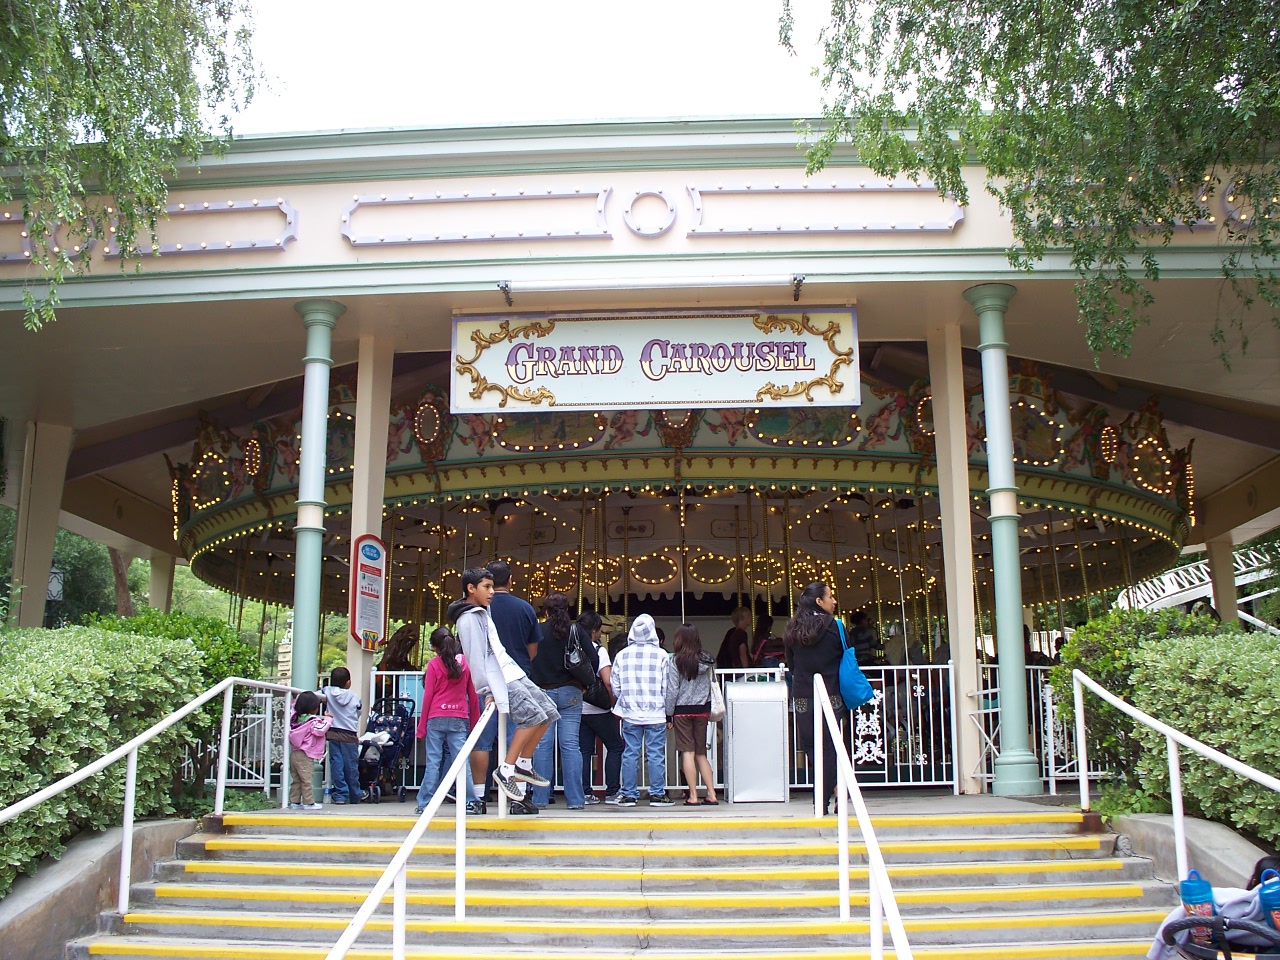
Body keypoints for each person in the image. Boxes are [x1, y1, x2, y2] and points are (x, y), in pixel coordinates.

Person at [449, 566, 559, 814]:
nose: (491, 593)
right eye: (486, 588)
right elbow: (476, 657)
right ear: (471, 588)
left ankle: (523, 762)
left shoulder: (483, 612)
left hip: (511, 670)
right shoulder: (468, 618)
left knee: (549, 711)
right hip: (499, 676)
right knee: (532, 716)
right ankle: (507, 768)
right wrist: (487, 688)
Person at [784, 582, 847, 816]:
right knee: (830, 745)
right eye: (830, 596)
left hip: (803, 694)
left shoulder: (792, 628)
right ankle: (828, 795)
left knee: (811, 746)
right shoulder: (835, 627)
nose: (834, 601)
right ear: (819, 601)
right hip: (831, 692)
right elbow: (847, 655)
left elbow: (791, 664)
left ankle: (823, 795)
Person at [528, 592, 588, 810]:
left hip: (543, 692)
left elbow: (529, 659)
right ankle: (576, 799)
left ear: (546, 610)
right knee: (571, 745)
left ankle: (540, 798)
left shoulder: (538, 630)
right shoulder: (575, 630)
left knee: (543, 746)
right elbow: (593, 656)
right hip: (571, 691)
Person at [609, 613, 674, 807]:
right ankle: (657, 794)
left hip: (630, 712)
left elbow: (615, 685)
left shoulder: (622, 655)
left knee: (630, 753)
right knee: (655, 754)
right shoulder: (661, 654)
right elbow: (667, 686)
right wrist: (667, 710)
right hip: (655, 712)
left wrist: (625, 699)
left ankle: (629, 794)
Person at [414, 627, 481, 815]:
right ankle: (470, 801)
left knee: (433, 761)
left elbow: (428, 697)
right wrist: (475, 722)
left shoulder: (434, 665)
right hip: (459, 717)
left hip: (436, 716)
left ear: (435, 646)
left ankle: (426, 803)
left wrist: (421, 727)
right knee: (462, 761)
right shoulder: (465, 664)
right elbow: (473, 696)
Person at [664, 623, 719, 806]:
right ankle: (711, 794)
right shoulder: (706, 660)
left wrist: (668, 715)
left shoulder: (675, 661)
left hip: (682, 712)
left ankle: (693, 796)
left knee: (687, 753)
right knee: (701, 754)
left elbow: (672, 690)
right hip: (702, 710)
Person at [577, 610, 622, 804]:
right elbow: (608, 681)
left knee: (584, 750)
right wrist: (612, 701)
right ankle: (612, 791)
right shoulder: (598, 650)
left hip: (578, 708)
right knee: (615, 746)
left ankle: (585, 792)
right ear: (596, 630)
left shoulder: (572, 648)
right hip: (598, 709)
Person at [319, 666, 368, 805]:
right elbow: (358, 713)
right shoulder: (354, 697)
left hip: (333, 733)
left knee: (336, 763)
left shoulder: (326, 691)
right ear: (348, 682)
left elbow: (316, 694)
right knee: (351, 766)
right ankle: (355, 794)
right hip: (349, 735)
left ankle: (340, 795)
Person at [287, 691, 331, 810]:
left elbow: (292, 709)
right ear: (314, 708)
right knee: (307, 779)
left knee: (296, 779)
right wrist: (328, 719)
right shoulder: (312, 721)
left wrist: (294, 699)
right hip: (305, 754)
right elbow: (320, 730)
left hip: (295, 753)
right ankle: (309, 803)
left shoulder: (294, 719)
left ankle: (294, 802)